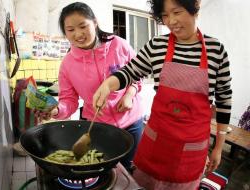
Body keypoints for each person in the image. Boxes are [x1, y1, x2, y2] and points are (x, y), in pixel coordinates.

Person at [92, 0, 232, 189]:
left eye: (177, 12)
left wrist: (218, 147)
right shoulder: (157, 45)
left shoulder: (216, 50)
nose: (171, 21)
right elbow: (130, 71)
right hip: (156, 145)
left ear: (195, 9)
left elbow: (224, 99)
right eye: (165, 15)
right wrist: (109, 84)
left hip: (191, 150)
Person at [38, 2, 145, 172]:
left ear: (94, 23)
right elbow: (69, 101)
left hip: (131, 121)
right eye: (71, 30)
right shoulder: (68, 64)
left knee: (130, 167)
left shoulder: (119, 45)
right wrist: (56, 110)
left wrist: (129, 95)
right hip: (98, 126)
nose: (78, 34)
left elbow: (137, 73)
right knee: (104, 168)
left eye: (83, 26)